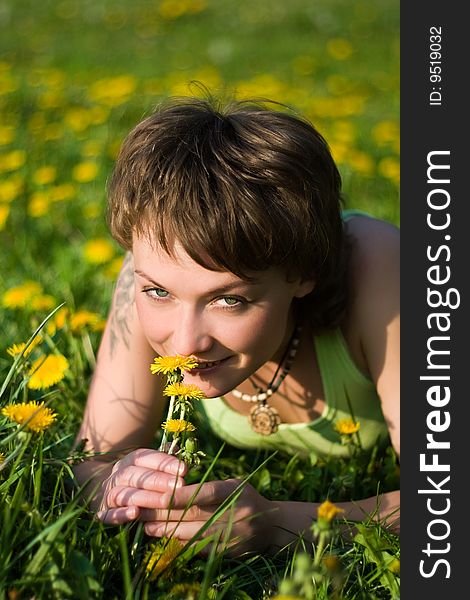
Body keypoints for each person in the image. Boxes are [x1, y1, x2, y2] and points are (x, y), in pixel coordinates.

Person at [73, 94, 400, 556]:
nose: (185, 342)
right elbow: (91, 462)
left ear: (306, 270)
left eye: (229, 299)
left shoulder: (383, 272)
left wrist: (281, 525)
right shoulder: (149, 268)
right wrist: (121, 487)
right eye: (159, 293)